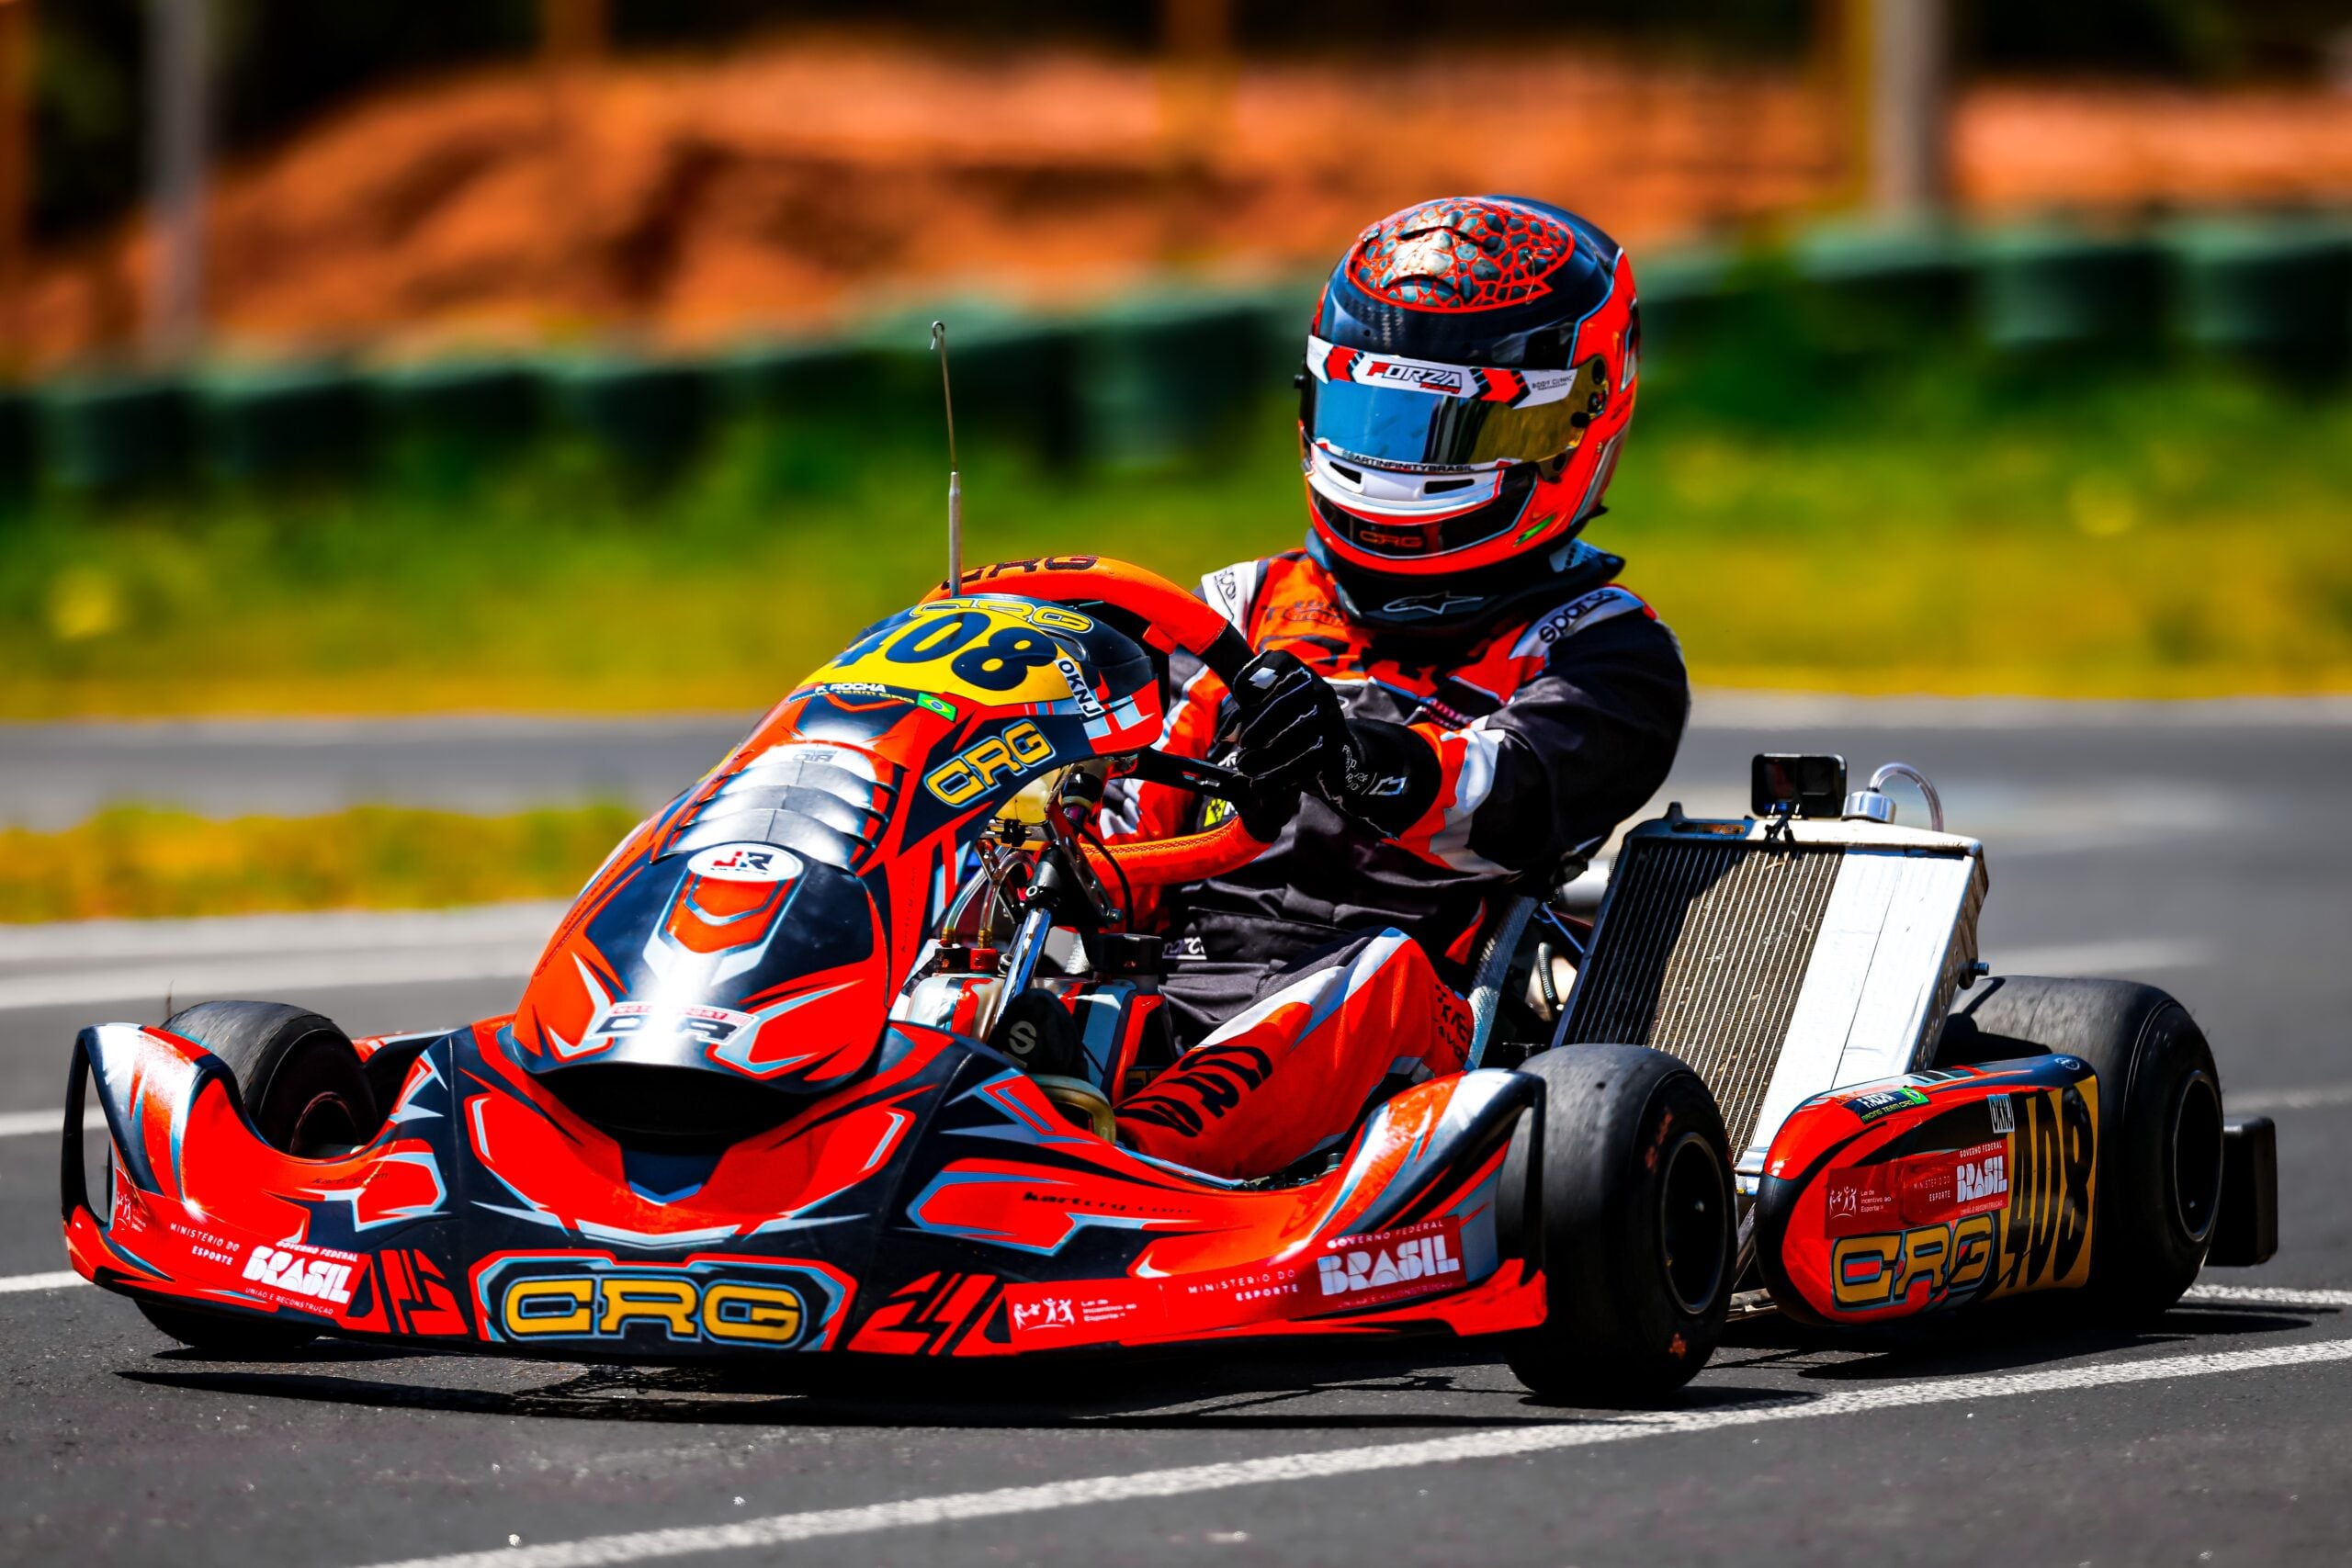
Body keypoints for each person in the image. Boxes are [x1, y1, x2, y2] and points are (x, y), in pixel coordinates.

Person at [1105, 195, 1690, 1181]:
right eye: (1374, 420)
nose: (1396, 467)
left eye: (1450, 432)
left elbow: (1509, 799)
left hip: (1415, 1007)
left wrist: (1355, 752)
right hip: (1165, 973)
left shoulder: (1601, 651)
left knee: (1371, 982)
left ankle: (1131, 1175)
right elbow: (1130, 815)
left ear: (1576, 418)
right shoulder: (1236, 609)